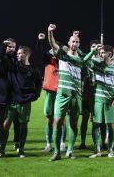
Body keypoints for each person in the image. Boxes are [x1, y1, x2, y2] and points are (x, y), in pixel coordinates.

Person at [0, 44, 42, 158]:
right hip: (12, 101)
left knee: (23, 126)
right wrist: (4, 48)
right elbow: (1, 58)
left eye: (20, 53)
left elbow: (39, 85)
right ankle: (1, 149)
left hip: (25, 102)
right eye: (17, 53)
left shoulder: (34, 70)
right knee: (5, 125)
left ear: (27, 54)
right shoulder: (13, 65)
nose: (18, 55)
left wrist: (35, 96)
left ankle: (21, 149)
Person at [47, 24, 86, 161]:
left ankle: (70, 150)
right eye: (73, 41)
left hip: (76, 95)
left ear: (79, 44)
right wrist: (50, 32)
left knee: (73, 124)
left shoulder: (82, 59)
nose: (74, 43)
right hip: (62, 94)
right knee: (57, 122)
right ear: (68, 43)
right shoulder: (63, 55)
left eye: (77, 41)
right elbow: (53, 44)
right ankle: (57, 152)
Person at [84, 45, 114, 158]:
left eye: (102, 52)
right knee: (96, 125)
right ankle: (97, 151)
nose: (100, 54)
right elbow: (85, 60)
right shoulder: (96, 65)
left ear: (109, 54)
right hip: (97, 101)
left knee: (110, 126)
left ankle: (110, 150)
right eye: (99, 53)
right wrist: (93, 51)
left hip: (110, 101)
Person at [79, 39, 100, 149]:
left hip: (97, 95)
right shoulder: (87, 59)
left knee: (96, 120)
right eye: (93, 47)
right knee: (85, 119)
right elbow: (83, 58)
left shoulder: (101, 60)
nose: (95, 48)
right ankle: (82, 142)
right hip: (86, 94)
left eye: (97, 46)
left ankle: (96, 143)